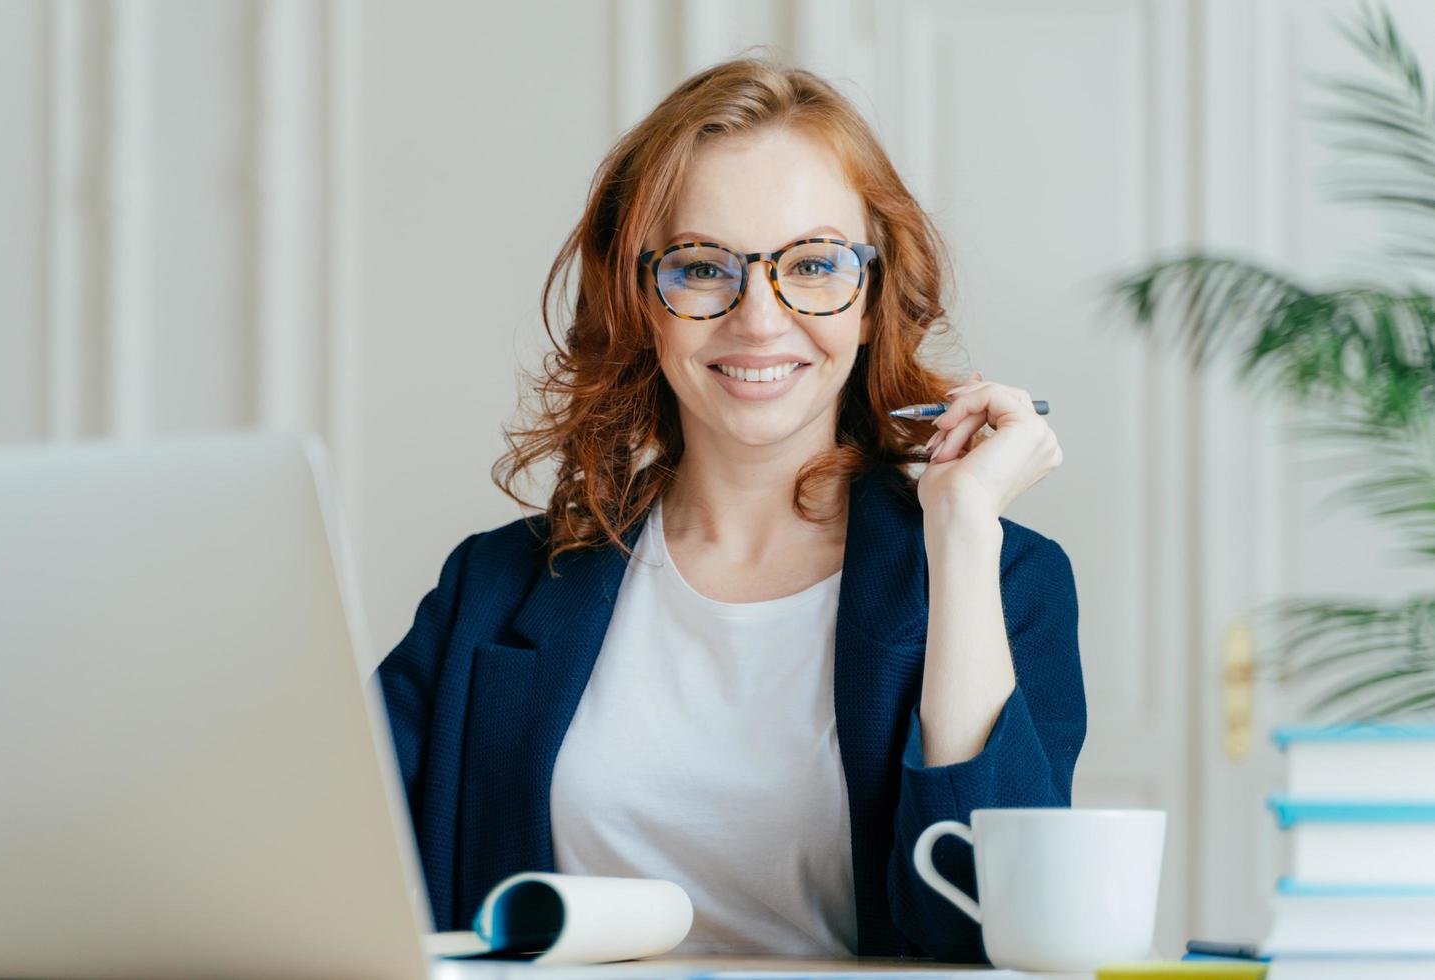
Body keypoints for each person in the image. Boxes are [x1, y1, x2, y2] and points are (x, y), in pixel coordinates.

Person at [377, 56, 1085, 963]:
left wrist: (959, 530)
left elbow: (1000, 934)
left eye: (816, 263)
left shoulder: (1003, 576)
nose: (759, 318)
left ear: (870, 300)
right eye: (704, 266)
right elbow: (314, 860)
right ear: (641, 300)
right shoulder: (491, 586)